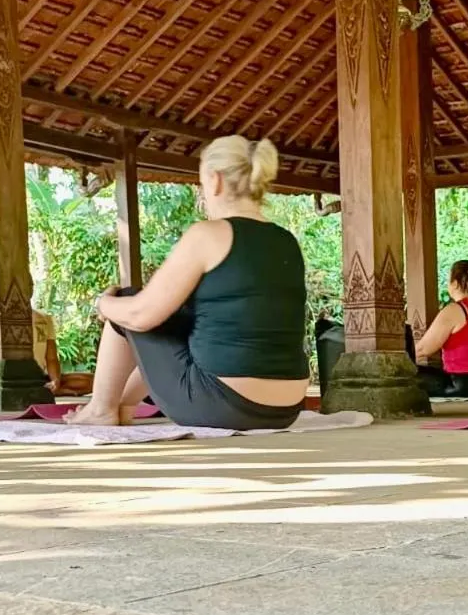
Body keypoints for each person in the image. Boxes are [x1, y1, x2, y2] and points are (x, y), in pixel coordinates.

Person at [65, 136, 310, 429]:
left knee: (127, 302)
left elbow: (140, 316)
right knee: (181, 318)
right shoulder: (286, 241)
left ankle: (99, 410)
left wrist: (104, 303)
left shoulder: (208, 234)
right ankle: (122, 406)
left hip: (222, 405)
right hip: (285, 410)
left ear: (215, 180)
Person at [411, 260, 468, 399]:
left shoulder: (455, 309)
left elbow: (424, 349)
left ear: (455, 283)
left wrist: (401, 362)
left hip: (464, 384)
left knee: (402, 375)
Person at [32, 308, 93, 397]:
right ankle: (47, 391)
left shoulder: (44, 318)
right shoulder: (4, 318)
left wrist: (55, 381)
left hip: (39, 379)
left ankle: (51, 390)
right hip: (9, 381)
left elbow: (51, 358)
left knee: (94, 381)